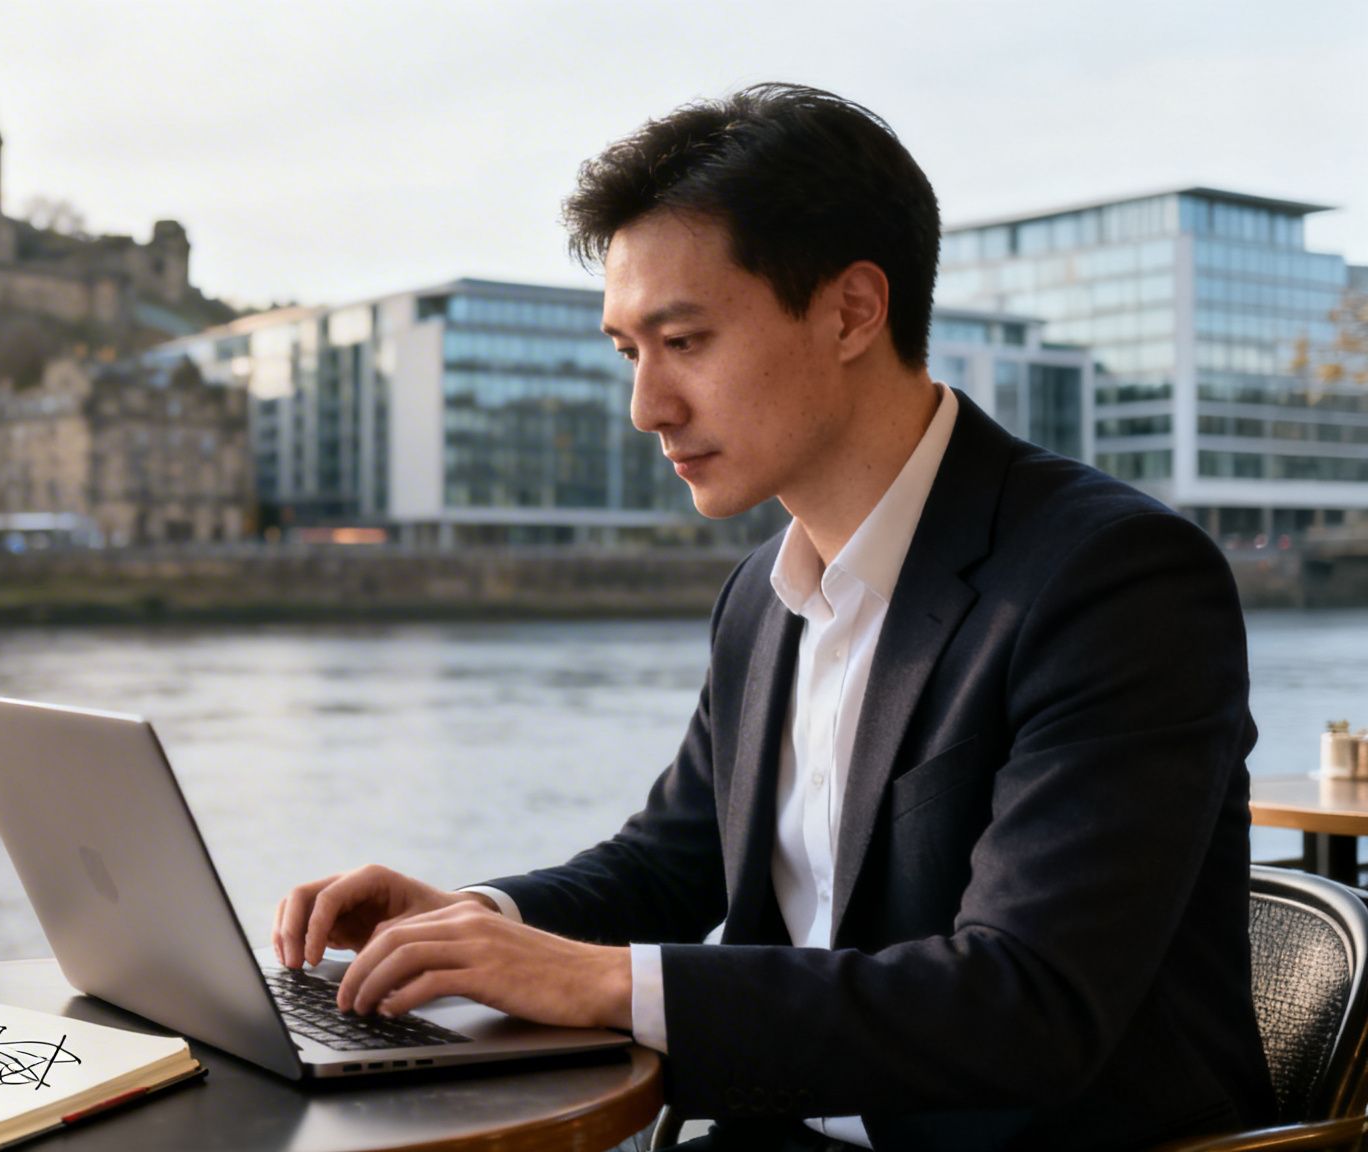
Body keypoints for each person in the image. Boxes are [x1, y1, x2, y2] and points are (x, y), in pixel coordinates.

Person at [272, 84, 1271, 1151]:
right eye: (627, 352)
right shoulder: (761, 593)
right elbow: (668, 865)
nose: (645, 406)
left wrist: (606, 985)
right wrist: (473, 924)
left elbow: (1024, 1005)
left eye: (684, 341)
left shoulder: (1112, 578)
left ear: (849, 310)